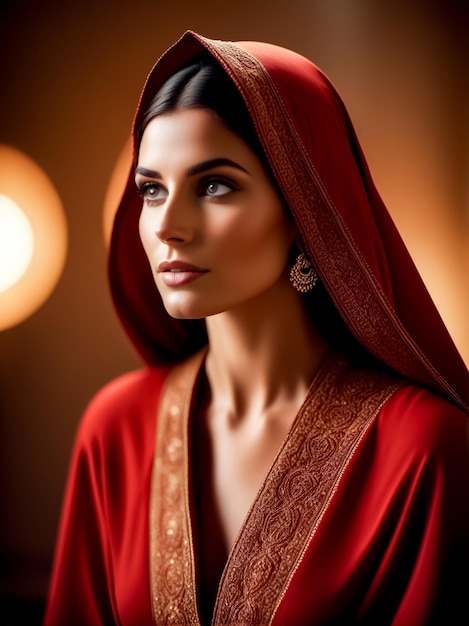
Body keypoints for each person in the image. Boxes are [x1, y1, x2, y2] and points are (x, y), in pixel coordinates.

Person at [44, 31, 469, 625]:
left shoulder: (423, 449)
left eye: (214, 185)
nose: (168, 225)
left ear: (303, 210)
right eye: (151, 189)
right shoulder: (116, 428)